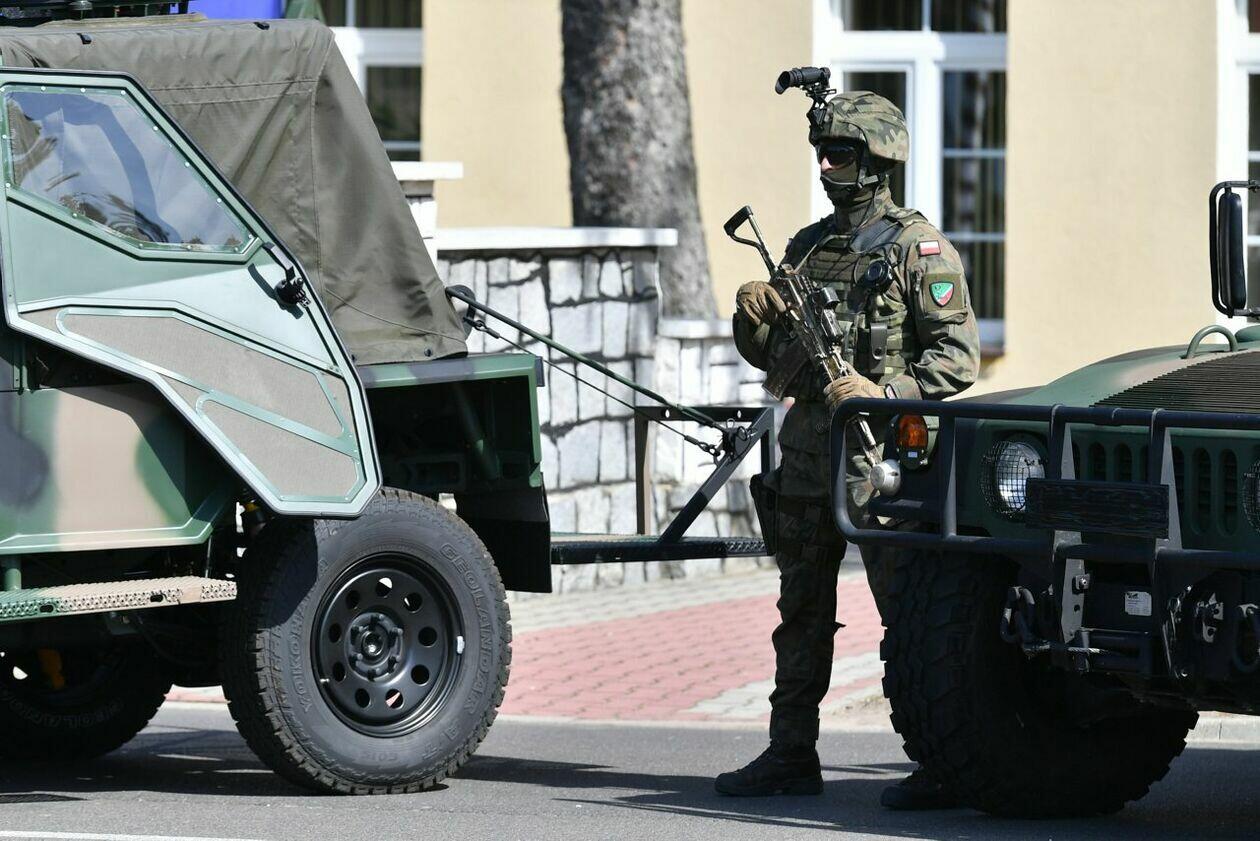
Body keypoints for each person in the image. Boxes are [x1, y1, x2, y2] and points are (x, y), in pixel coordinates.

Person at [715, 90, 981, 809]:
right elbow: (775, 358)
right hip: (808, 457)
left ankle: (940, 762)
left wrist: (880, 390)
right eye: (822, 153)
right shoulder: (807, 247)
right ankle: (790, 752)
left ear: (876, 160)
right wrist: (754, 314)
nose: (826, 166)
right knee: (800, 609)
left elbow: (957, 359)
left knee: (908, 614)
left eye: (839, 154)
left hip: (883, 461)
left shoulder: (918, 250)